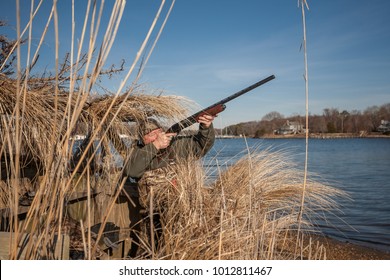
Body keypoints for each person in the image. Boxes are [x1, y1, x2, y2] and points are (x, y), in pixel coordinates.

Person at [122, 114, 216, 257]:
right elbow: (132, 170)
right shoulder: (137, 152)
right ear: (143, 139)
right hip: (152, 218)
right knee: (150, 254)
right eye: (151, 135)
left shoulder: (176, 145)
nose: (157, 136)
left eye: (158, 132)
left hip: (181, 214)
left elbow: (201, 146)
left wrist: (205, 126)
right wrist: (155, 146)